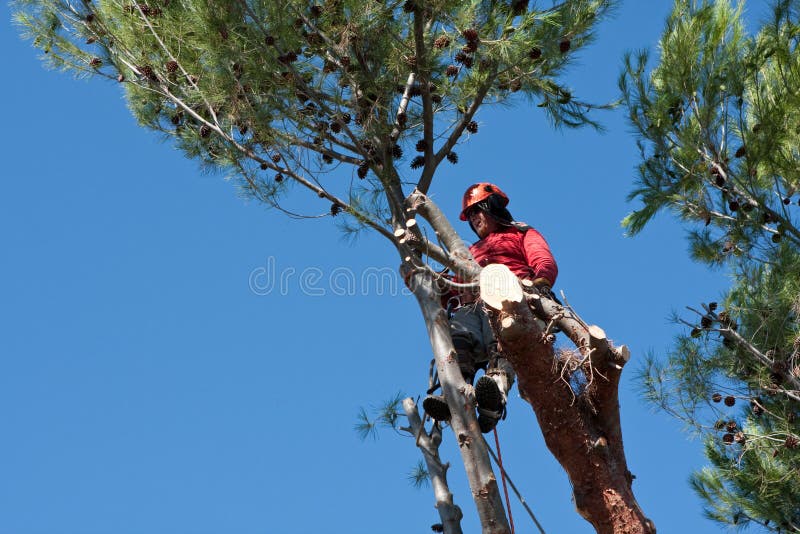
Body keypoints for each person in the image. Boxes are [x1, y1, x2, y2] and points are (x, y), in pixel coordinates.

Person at [423, 183, 558, 433]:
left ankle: (494, 392)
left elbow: (543, 260)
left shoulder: (521, 233)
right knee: (459, 330)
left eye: (477, 210)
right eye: (470, 215)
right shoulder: (470, 251)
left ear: (493, 207)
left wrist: (539, 286)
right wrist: (430, 283)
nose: (474, 218)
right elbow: (450, 286)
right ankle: (456, 391)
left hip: (512, 300)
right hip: (473, 306)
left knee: (503, 335)